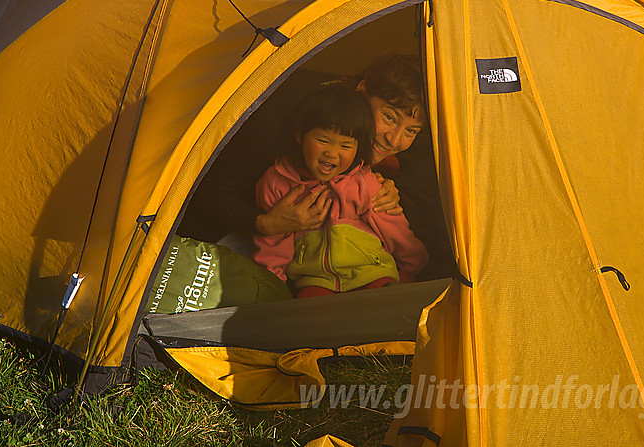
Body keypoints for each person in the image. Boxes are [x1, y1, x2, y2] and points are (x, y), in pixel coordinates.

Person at [177, 53, 456, 279]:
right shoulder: (279, 125)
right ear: (361, 91)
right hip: (222, 237)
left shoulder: (381, 147)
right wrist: (262, 222)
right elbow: (205, 195)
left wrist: (389, 190)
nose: (394, 139)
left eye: (411, 130)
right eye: (389, 117)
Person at [252, 84, 428, 297]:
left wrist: (413, 269)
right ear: (300, 135)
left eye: (345, 146)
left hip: (372, 273)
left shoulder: (363, 182)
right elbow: (273, 242)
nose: (332, 154)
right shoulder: (276, 182)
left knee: (388, 305)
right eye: (323, 140)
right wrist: (273, 286)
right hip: (315, 281)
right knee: (311, 314)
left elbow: (394, 229)